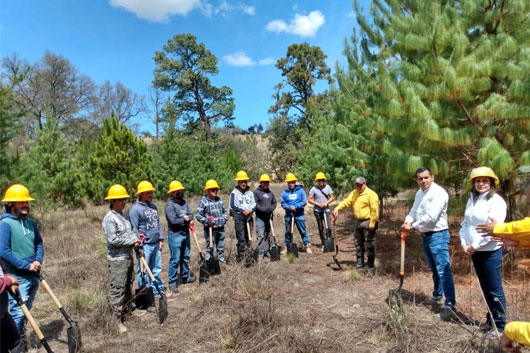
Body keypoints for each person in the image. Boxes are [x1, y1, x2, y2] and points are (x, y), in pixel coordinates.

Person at [401, 167, 456, 320]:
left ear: (432, 177)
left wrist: (412, 226)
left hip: (438, 235)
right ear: (416, 180)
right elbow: (414, 211)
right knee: (434, 270)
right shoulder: (420, 193)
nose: (423, 181)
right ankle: (437, 297)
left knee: (443, 271)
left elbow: (432, 217)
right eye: (420, 178)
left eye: (426, 178)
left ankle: (450, 305)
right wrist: (408, 221)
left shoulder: (439, 193)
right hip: (426, 236)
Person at [459, 167, 507, 337]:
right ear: (473, 184)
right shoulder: (472, 199)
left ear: (491, 183)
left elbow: (495, 229)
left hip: (489, 251)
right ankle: (490, 320)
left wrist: (475, 246)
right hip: (475, 251)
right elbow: (465, 224)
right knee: (485, 287)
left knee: (494, 288)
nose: (481, 184)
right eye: (478, 181)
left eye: (485, 181)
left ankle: (500, 326)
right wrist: (464, 242)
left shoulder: (496, 201)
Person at [0, 184, 43, 351]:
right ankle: (16, 346)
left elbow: (39, 243)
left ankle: (21, 342)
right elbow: (3, 251)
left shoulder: (31, 223)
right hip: (17, 277)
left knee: (26, 311)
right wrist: (26, 266)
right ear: (11, 204)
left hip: (33, 274)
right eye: (20, 202)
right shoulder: (5, 225)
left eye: (26, 201)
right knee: (18, 313)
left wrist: (38, 261)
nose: (25, 204)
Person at [101, 184, 143, 334]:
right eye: (120, 200)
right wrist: (132, 241)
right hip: (117, 259)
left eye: (124, 199)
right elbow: (113, 240)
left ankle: (129, 309)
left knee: (128, 284)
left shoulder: (124, 216)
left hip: (128, 256)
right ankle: (116, 319)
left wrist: (136, 240)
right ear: (112, 201)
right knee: (117, 289)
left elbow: (131, 232)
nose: (123, 202)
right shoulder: (109, 219)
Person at [129, 181, 167, 298]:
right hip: (145, 245)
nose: (151, 195)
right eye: (148, 193)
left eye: (151, 192)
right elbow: (133, 228)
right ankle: (145, 293)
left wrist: (160, 239)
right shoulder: (135, 210)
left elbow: (158, 224)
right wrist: (139, 245)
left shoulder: (153, 207)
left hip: (155, 243)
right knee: (143, 271)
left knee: (156, 268)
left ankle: (157, 291)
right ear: (141, 194)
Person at [332, 176, 379, 268]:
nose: (358, 186)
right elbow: (346, 202)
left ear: (364, 184)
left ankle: (370, 264)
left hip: (368, 221)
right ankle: (359, 262)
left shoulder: (371, 194)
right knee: (358, 242)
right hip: (357, 221)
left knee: (369, 243)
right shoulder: (354, 193)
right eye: (356, 185)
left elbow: (374, 210)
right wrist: (337, 209)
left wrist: (372, 224)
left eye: (360, 185)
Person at [477, 178, 530, 245]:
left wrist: (498, 228)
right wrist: (518, 243)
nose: (481, 184)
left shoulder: (497, 200)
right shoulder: (473, 200)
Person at [165, 180, 194, 294]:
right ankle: (172, 282)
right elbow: (173, 221)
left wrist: (189, 219)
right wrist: (185, 220)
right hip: (175, 235)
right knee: (175, 260)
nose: (180, 191)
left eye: (181, 190)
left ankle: (185, 277)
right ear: (172, 193)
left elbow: (191, 214)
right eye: (178, 190)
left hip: (185, 233)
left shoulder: (184, 203)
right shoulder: (170, 206)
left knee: (185, 257)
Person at [196, 180, 228, 264]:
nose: (215, 191)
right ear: (207, 190)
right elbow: (198, 215)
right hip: (210, 229)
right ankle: (208, 263)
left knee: (220, 247)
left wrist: (224, 220)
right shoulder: (203, 201)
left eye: (216, 189)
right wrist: (207, 221)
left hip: (221, 228)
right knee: (210, 247)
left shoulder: (219, 200)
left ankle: (221, 262)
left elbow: (224, 212)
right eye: (213, 189)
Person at [281, 173, 312, 254]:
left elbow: (304, 201)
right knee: (288, 231)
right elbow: (283, 203)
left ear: (295, 182)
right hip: (289, 214)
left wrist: (296, 206)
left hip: (299, 214)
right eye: (289, 182)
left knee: (302, 230)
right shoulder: (285, 192)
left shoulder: (300, 191)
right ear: (287, 183)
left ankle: (307, 245)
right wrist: (289, 207)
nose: (291, 184)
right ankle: (287, 247)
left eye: (292, 182)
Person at [229, 171, 256, 262]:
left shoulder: (250, 193)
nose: (243, 183)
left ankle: (249, 256)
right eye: (241, 181)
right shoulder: (234, 193)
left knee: (249, 238)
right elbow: (232, 206)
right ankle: (241, 258)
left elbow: (254, 204)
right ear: (238, 182)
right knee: (241, 238)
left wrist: (250, 210)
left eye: (245, 181)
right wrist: (242, 211)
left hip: (249, 217)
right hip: (239, 218)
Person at [308, 172, 335, 253]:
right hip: (317, 211)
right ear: (317, 181)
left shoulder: (328, 187)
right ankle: (323, 243)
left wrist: (327, 203)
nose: (321, 182)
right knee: (321, 228)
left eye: (322, 180)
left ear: (324, 180)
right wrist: (318, 204)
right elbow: (309, 199)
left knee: (329, 227)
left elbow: (332, 197)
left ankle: (329, 242)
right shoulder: (313, 189)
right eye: (319, 180)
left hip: (326, 210)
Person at [253, 174, 277, 258]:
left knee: (267, 234)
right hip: (260, 217)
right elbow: (255, 204)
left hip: (269, 217)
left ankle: (266, 251)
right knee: (260, 235)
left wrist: (271, 209)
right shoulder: (256, 192)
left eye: (267, 182)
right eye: (264, 182)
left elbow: (274, 203)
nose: (266, 184)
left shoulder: (270, 193)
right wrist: (263, 210)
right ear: (261, 183)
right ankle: (259, 252)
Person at [1, 258, 20, 352]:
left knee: (15, 342)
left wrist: (8, 276)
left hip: (2, 311)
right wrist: (9, 280)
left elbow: (2, 269)